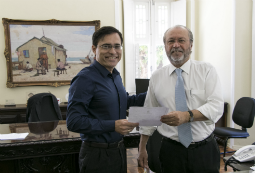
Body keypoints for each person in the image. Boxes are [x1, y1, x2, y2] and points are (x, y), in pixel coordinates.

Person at [137, 25, 224, 173]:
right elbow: (149, 115)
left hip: (204, 149)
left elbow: (216, 106)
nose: (176, 45)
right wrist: (142, 147)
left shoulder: (207, 70)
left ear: (190, 45)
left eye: (181, 40)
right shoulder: (157, 77)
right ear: (165, 46)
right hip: (171, 150)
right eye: (171, 41)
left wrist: (187, 116)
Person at [66, 26, 146, 173]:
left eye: (117, 46)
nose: (113, 51)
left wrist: (154, 92)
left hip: (119, 150)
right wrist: (112, 125)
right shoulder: (84, 78)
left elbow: (124, 101)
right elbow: (73, 121)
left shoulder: (115, 75)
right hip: (96, 155)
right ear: (94, 49)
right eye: (106, 46)